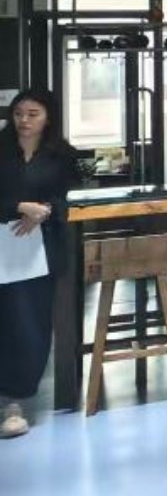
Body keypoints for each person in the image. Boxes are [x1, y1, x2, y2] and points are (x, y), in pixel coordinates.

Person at [0, 89, 81, 439]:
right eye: (19, 113)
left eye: (33, 114)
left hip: (39, 251)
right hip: (1, 241)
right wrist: (19, 207)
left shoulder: (62, 155)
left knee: (29, 323)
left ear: (48, 117)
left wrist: (45, 211)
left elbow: (70, 197)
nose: (24, 120)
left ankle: (15, 402)